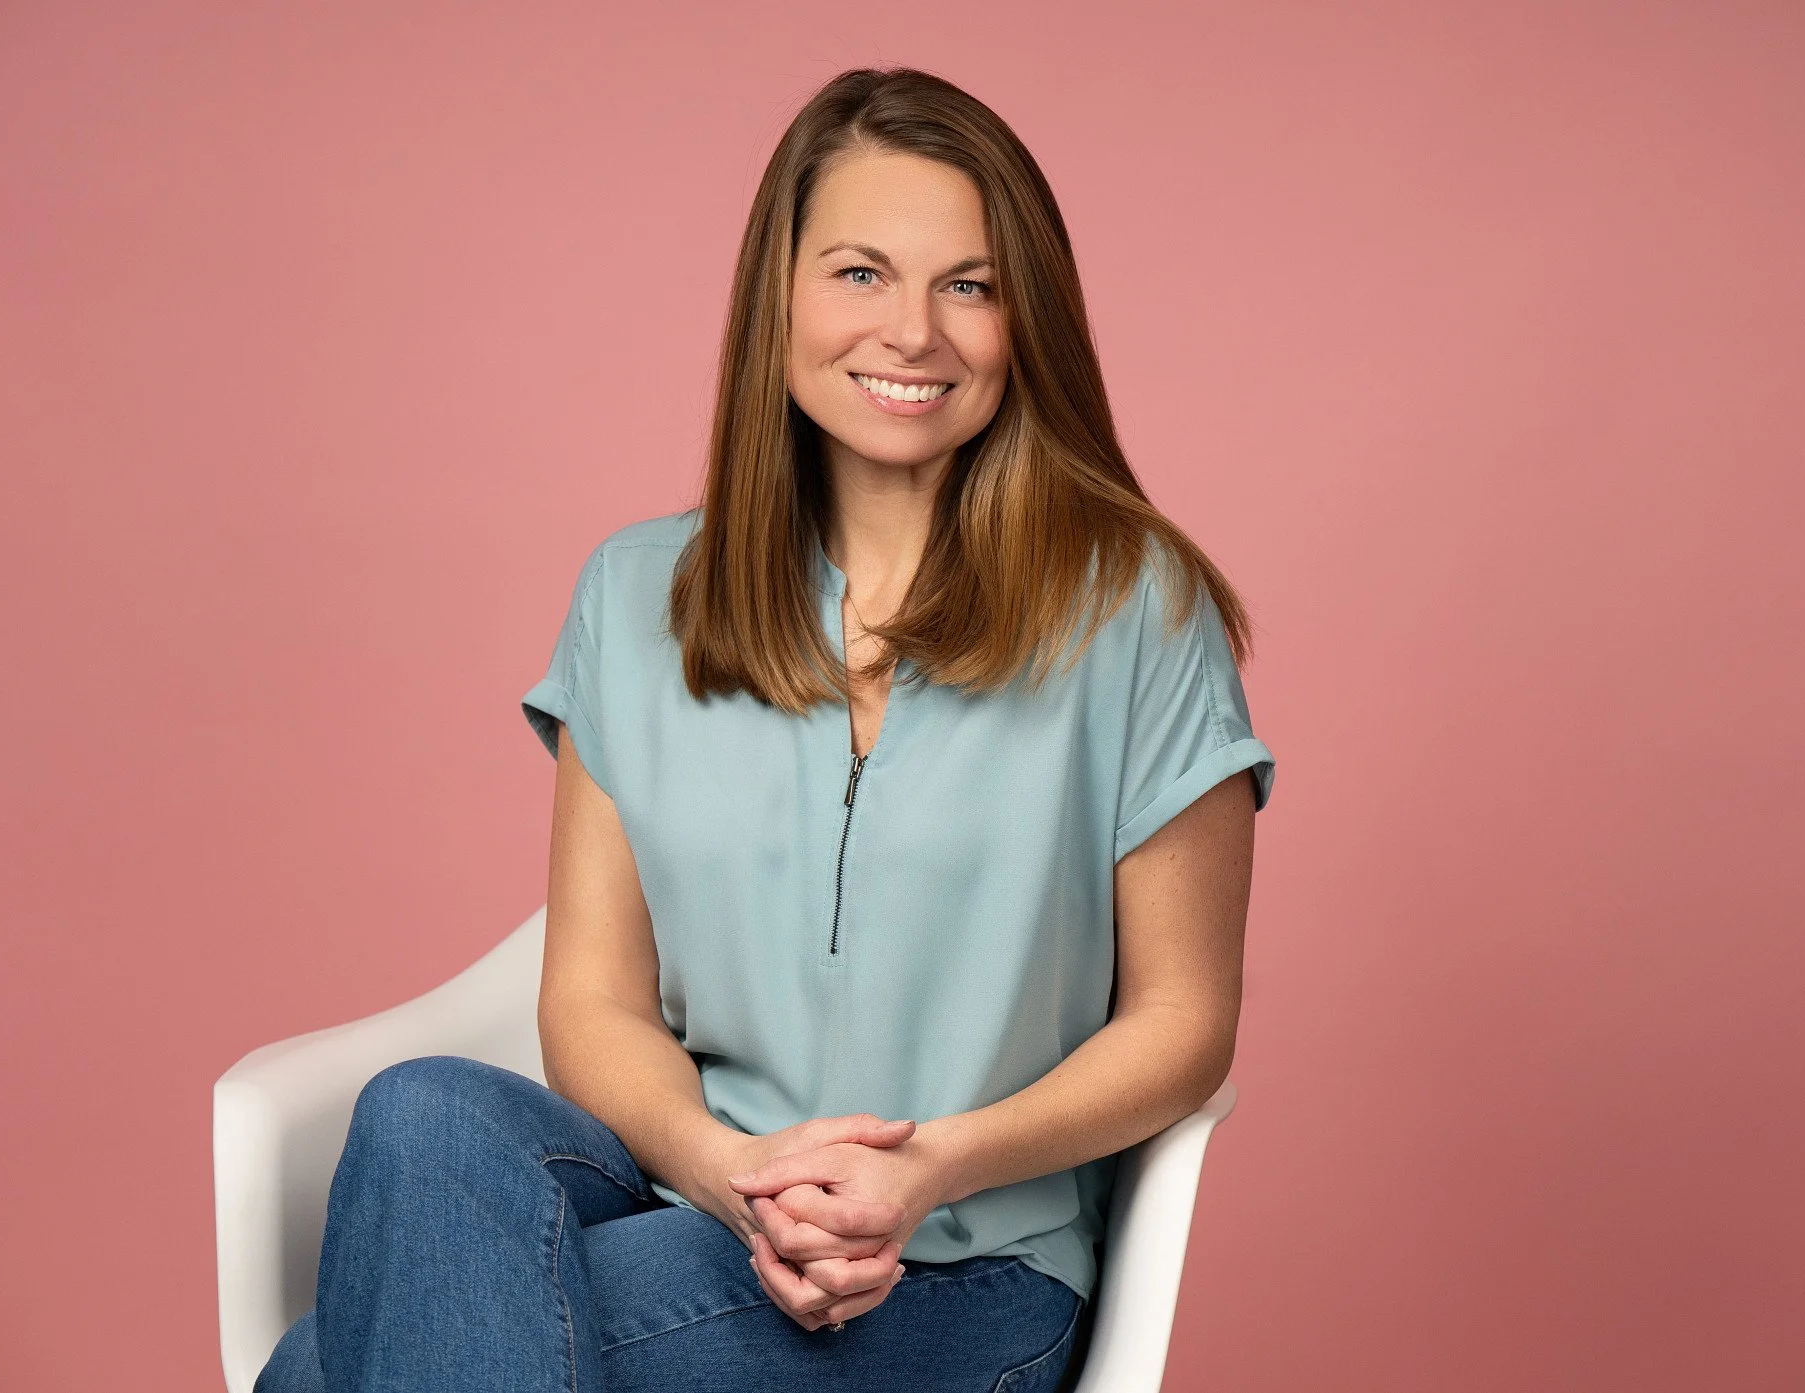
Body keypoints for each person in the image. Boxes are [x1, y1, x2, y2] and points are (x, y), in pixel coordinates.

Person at [255, 65, 1275, 1393]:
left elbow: (1184, 1018)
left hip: (967, 1271)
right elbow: (597, 1002)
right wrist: (738, 1178)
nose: (912, 332)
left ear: (1026, 321)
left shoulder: (1140, 608)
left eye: (968, 284)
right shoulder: (633, 598)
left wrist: (925, 1169)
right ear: (778, 299)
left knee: (328, 1368)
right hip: (696, 1200)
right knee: (425, 1113)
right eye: (860, 273)